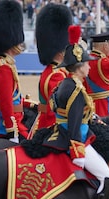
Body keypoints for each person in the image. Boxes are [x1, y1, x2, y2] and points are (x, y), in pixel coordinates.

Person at [42, 25, 109, 199]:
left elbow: (54, 107)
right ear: (79, 66)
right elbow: (74, 124)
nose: (90, 65)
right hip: (76, 140)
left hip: (60, 133)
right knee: (108, 177)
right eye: (87, 63)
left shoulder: (63, 84)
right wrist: (78, 154)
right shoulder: (76, 90)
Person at [0, 0, 29, 142]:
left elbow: (12, 98)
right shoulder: (4, 68)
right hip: (3, 127)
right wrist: (12, 132)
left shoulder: (4, 64)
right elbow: (6, 104)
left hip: (12, 120)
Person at [35, 3, 72, 131]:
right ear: (61, 50)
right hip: (52, 129)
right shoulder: (57, 75)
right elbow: (57, 111)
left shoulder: (52, 71)